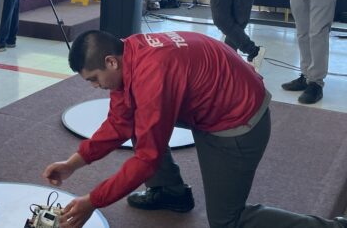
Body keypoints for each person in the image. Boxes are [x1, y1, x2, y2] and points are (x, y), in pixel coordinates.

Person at [42, 30, 347, 228]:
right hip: (217, 100)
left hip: (239, 122)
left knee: (227, 221)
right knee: (138, 120)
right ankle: (170, 193)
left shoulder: (151, 75)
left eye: (93, 79)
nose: (95, 87)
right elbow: (120, 122)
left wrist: (92, 200)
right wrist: (73, 163)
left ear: (110, 62)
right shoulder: (130, 52)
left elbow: (146, 159)